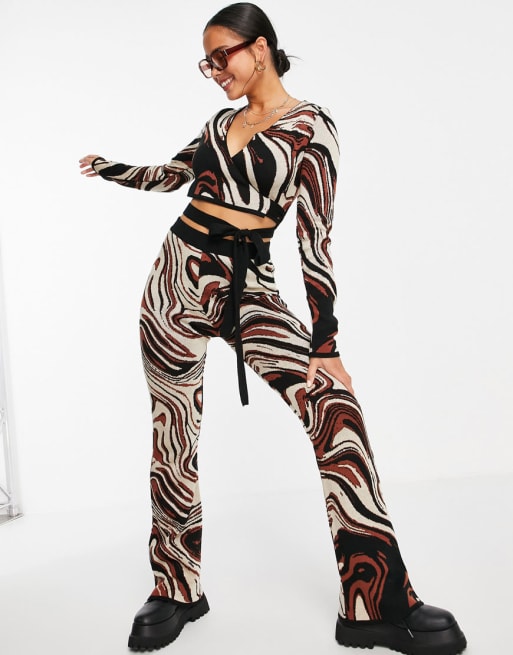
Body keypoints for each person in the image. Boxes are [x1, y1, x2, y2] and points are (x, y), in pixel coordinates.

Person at [79, 3, 467, 654]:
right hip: (174, 277)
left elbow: (315, 237)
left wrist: (325, 343)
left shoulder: (311, 127)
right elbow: (173, 175)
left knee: (334, 410)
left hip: (247, 288)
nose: (213, 72)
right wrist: (109, 167)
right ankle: (176, 587)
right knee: (172, 437)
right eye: (205, 62)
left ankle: (372, 600)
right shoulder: (219, 123)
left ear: (259, 48)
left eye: (221, 57)